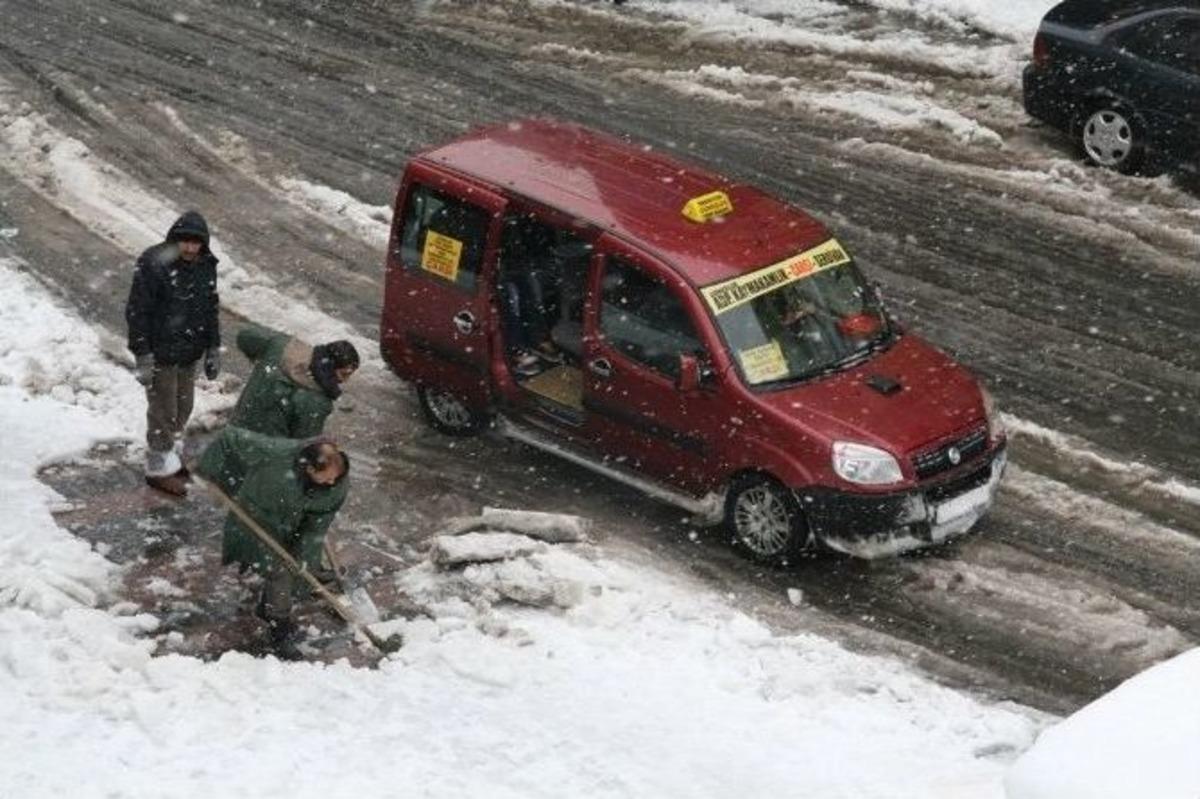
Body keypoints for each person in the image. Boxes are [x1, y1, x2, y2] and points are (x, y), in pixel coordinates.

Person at [196, 427, 350, 658]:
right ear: (308, 468)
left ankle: (268, 608)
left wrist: (303, 557)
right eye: (326, 477)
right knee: (279, 570)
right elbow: (230, 437)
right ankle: (279, 628)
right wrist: (208, 470)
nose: (331, 482)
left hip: (292, 525)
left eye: (334, 477)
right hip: (255, 519)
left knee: (293, 567)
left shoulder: (336, 486)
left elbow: (315, 528)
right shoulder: (276, 454)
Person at [124, 211, 220, 497]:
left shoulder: (205, 265)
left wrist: (213, 346)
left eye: (196, 243)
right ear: (174, 240)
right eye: (185, 243)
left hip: (188, 351)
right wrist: (142, 353)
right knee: (163, 411)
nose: (190, 249)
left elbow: (210, 306)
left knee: (183, 408)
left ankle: (168, 456)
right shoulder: (154, 263)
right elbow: (137, 310)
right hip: (161, 352)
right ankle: (157, 467)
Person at [228, 323, 359, 438]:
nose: (344, 381)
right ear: (330, 366)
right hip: (265, 454)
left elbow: (245, 336)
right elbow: (305, 445)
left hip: (233, 431)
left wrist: (260, 361)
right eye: (344, 373)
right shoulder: (317, 401)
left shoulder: (280, 346)